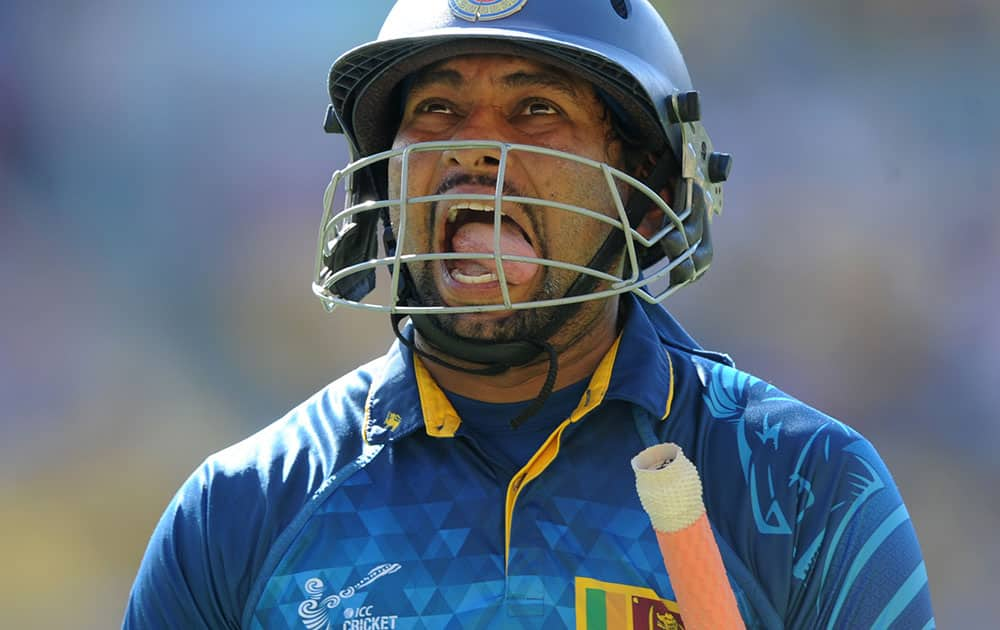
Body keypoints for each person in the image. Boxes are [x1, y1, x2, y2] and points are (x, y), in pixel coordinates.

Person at [124, 1, 935, 628]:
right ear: (382, 184)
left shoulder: (805, 488)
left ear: (644, 192)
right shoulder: (240, 509)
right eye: (436, 108)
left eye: (536, 109)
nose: (474, 149)